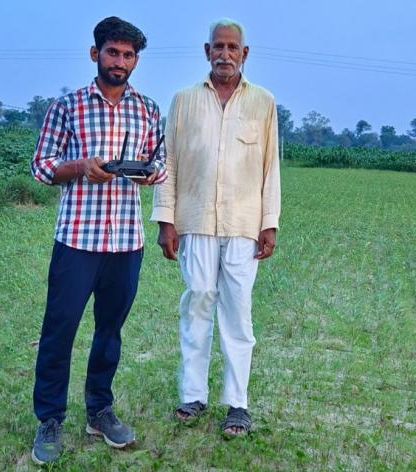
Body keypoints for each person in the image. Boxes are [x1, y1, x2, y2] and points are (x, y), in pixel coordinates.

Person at [29, 16, 166, 465]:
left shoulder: (147, 109)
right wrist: (81, 166)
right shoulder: (67, 106)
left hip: (126, 241)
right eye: (113, 52)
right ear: (95, 54)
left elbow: (160, 161)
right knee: (59, 330)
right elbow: (43, 166)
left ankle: (99, 410)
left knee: (110, 332)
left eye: (128, 55)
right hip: (77, 240)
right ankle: (50, 419)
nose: (120, 61)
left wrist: (148, 173)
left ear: (136, 61)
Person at [151, 18, 281, 438]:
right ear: (206, 51)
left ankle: (237, 404)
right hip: (195, 221)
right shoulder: (184, 101)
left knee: (237, 312)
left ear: (245, 54)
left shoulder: (263, 103)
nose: (225, 54)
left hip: (244, 224)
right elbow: (167, 162)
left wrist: (269, 223)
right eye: (218, 47)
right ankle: (192, 394)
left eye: (233, 47)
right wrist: (166, 220)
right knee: (198, 302)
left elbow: (270, 168)